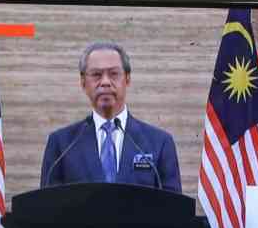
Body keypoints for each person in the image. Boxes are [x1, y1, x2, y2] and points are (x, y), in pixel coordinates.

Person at [40, 42, 182, 192]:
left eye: (114, 74)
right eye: (96, 75)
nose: (105, 82)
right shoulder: (62, 144)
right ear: (83, 82)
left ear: (127, 79)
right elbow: (47, 208)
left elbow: (173, 209)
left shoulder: (159, 142)